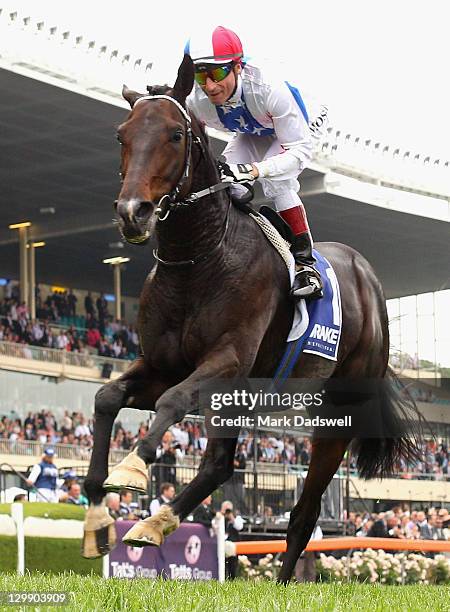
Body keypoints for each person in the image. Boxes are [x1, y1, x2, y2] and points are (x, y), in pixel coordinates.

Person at [185, 26, 328, 300]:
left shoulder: (270, 88)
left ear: (238, 67)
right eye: (201, 74)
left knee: (277, 182)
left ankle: (305, 265)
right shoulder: (198, 98)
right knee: (223, 182)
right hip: (255, 127)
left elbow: (297, 153)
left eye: (216, 73)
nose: (209, 86)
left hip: (299, 126)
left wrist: (254, 170)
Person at [221, 500, 244, 579]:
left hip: (232, 545)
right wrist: (221, 515)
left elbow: (239, 527)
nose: (227, 512)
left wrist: (232, 518)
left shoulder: (237, 517)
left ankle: (232, 580)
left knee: (232, 567)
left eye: (228, 510)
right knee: (222, 566)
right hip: (221, 545)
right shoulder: (220, 517)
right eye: (225, 509)